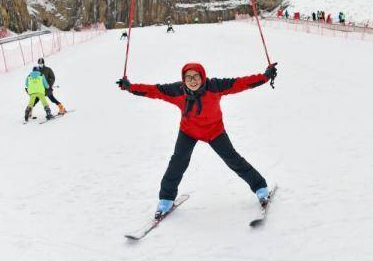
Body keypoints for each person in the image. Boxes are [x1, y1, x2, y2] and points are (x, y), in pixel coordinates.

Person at [116, 62, 278, 219]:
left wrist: (265, 76)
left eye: (196, 77)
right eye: (188, 78)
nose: (192, 81)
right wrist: (130, 87)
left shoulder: (215, 86)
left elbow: (241, 83)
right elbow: (153, 90)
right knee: (178, 162)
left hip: (215, 131)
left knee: (232, 159)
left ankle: (260, 188)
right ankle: (166, 200)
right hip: (189, 131)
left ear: (202, 77)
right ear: (183, 79)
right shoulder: (177, 90)